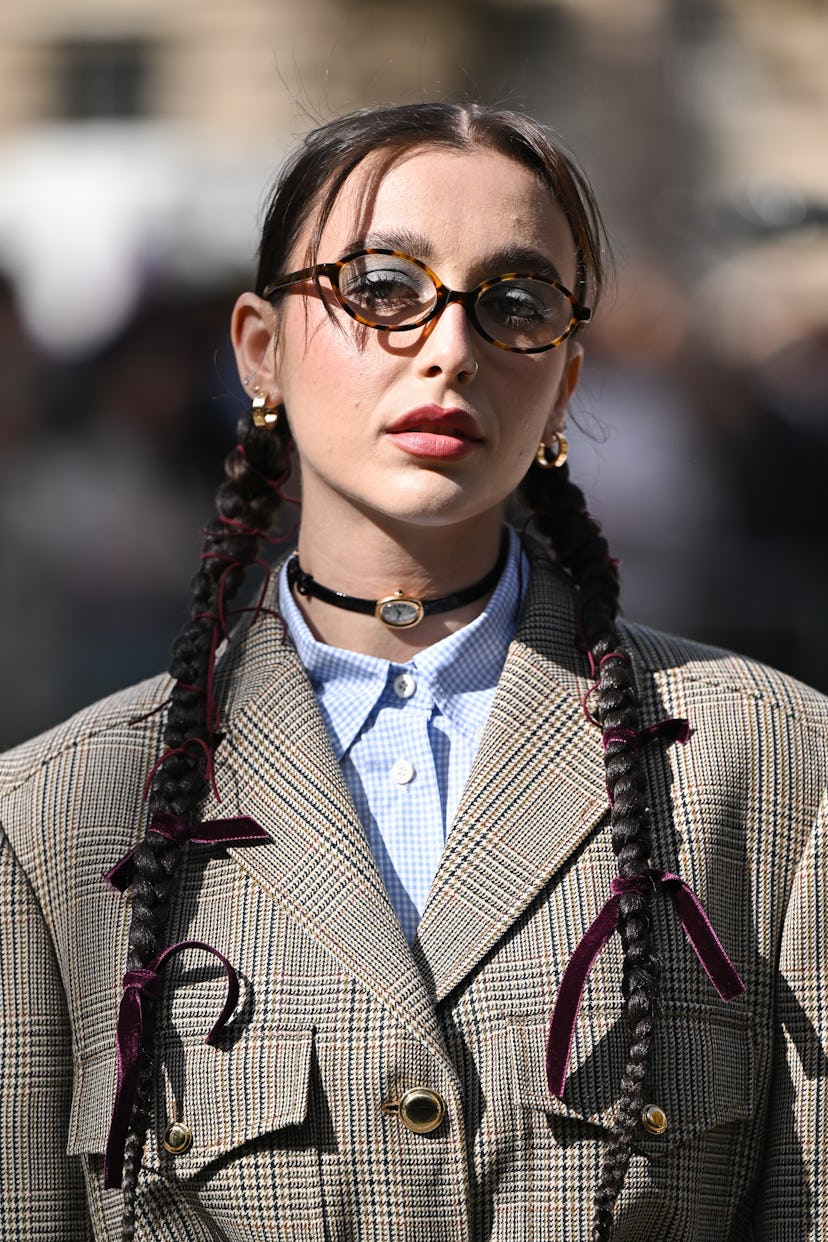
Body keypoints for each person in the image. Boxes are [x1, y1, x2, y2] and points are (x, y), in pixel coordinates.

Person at [0, 102, 825, 1242]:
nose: (450, 346)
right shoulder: (54, 821)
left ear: (566, 382)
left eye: (517, 303)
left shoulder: (774, 772)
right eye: (382, 287)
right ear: (261, 349)